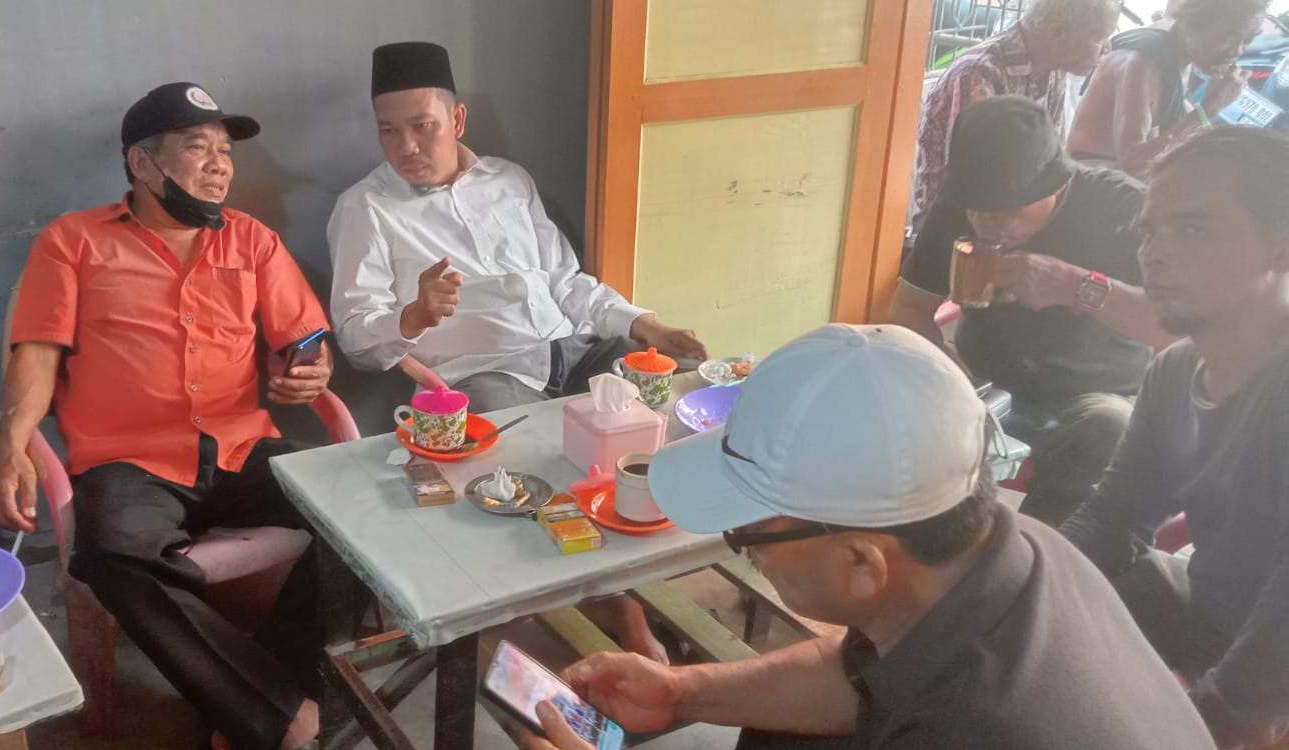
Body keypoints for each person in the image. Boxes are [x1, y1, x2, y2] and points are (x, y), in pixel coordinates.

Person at [523, 323, 1212, 750]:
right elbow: (862, 677)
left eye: (748, 533)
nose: (749, 550)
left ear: (862, 563)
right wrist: (682, 692)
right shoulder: (1017, 550)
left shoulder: (969, 728)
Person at [0, 82, 328, 750]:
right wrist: (10, 444)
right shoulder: (73, 241)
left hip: (240, 447)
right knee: (110, 552)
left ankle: (259, 695)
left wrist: (309, 368)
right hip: (130, 462)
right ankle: (287, 719)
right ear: (143, 163)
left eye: (225, 151)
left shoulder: (252, 240)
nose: (220, 165)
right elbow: (36, 355)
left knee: (357, 511)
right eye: (197, 148)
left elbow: (305, 338)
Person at [1061, 126, 1289, 749]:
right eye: (1149, 231)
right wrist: (1015, 586)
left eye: (1193, 230)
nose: (1155, 255)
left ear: (1279, 246)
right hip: (1215, 619)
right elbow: (1114, 518)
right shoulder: (1175, 370)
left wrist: (1215, 715)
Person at [328, 41, 707, 413]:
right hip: (488, 375)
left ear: (457, 120)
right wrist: (413, 317)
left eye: (422, 126)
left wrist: (644, 324)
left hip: (577, 351)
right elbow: (355, 336)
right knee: (525, 445)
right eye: (389, 130)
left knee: (685, 388)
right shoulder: (366, 208)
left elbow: (565, 281)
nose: (406, 147)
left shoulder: (508, 179)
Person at [891, 95, 1171, 526]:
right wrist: (949, 370)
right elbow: (909, 309)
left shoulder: (1122, 208)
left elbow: (1174, 326)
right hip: (982, 383)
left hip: (1093, 394)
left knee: (1110, 431)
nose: (985, 224)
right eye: (976, 210)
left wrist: (1074, 286)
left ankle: (1044, 550)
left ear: (1057, 186)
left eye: (1006, 214)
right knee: (897, 417)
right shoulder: (959, 211)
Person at [911, 0, 1121, 233]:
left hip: (1014, 218)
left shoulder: (1054, 71)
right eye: (1099, 38)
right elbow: (977, 186)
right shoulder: (978, 73)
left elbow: (1048, 167)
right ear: (1058, 33)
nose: (1107, 48)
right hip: (960, 227)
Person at [1067, 0, 1268, 179]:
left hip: (1115, 180)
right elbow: (1134, 166)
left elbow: (1170, 115)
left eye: (1247, 41)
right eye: (1230, 36)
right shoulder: (1142, 63)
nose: (1237, 50)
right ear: (1202, 23)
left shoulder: (1179, 53)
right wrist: (1208, 109)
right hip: (1085, 178)